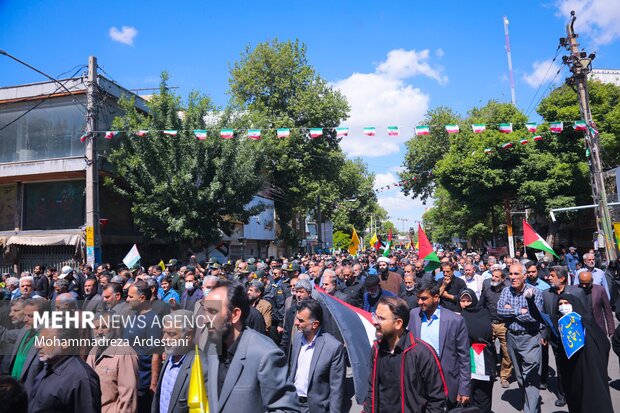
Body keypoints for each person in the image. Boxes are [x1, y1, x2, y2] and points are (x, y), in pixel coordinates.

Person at [203, 279, 299, 412]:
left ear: (235, 315)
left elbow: (287, 410)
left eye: (212, 312)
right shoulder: (211, 351)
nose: (204, 319)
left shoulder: (265, 354)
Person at [363, 296, 446, 413]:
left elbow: (437, 398)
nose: (375, 322)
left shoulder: (422, 353)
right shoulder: (376, 350)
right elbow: (372, 390)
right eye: (375, 316)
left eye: (381, 318)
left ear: (398, 323)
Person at [408, 279, 471, 409]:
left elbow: (464, 357)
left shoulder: (455, 321)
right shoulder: (414, 315)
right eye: (418, 298)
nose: (420, 302)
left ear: (436, 297)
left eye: (424, 298)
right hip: (419, 383)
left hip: (446, 382)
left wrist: (464, 388)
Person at [497, 262, 544, 413]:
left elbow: (534, 317)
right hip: (512, 338)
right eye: (510, 274)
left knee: (530, 376)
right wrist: (520, 311)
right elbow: (500, 311)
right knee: (520, 376)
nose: (513, 277)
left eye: (516, 274)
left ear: (524, 275)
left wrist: (511, 310)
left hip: (530, 338)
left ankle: (531, 410)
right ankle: (528, 402)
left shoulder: (534, 292)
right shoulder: (505, 291)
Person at [554, 294, 613, 413]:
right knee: (577, 398)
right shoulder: (561, 323)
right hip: (572, 370)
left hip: (589, 367)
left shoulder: (585, 320)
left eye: (566, 303)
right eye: (560, 304)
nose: (563, 306)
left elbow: (603, 343)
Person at [288, 299, 344, 413]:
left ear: (315, 324)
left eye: (301, 320)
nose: (296, 323)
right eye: (296, 319)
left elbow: (336, 389)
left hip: (315, 408)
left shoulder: (333, 347)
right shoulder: (298, 338)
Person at [30, 327, 101, 413]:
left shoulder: (81, 379)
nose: (38, 346)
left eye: (46, 341)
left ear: (65, 343)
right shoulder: (47, 369)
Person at [151, 309, 207, 413]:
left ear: (188, 335)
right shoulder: (170, 355)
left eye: (171, 334)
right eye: (164, 333)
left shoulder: (202, 368)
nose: (164, 339)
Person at [86, 312, 138, 413]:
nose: (99, 332)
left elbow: (128, 398)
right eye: (96, 328)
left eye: (104, 327)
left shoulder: (125, 353)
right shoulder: (94, 350)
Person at [459, 289, 494, 413]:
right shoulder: (459, 317)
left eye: (468, 300)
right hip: (466, 364)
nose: (465, 304)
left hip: (483, 362)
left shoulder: (483, 313)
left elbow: (486, 333)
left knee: (483, 397)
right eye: (462, 301)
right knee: (468, 397)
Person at [479, 267, 512, 388]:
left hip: (504, 325)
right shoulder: (487, 290)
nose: (493, 278)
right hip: (490, 324)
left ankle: (505, 376)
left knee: (507, 352)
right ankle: (490, 372)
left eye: (497, 276)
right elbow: (481, 306)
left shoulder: (508, 291)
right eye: (493, 276)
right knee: (487, 350)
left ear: (503, 279)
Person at [570, 270, 615, 337]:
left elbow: (607, 310)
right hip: (581, 329)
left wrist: (611, 330)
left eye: (586, 283)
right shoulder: (573, 291)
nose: (584, 286)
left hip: (598, 327)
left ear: (591, 281)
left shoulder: (600, 290)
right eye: (582, 283)